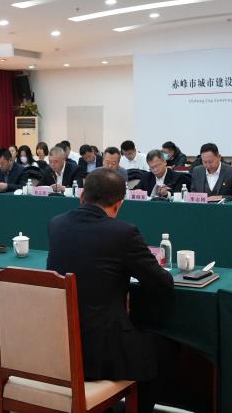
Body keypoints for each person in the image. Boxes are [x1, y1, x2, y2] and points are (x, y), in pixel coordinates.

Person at [46, 168, 175, 412]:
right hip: (100, 350)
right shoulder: (124, 233)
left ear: (82, 196)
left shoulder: (56, 224)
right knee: (164, 348)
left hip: (58, 343)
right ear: (119, 205)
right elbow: (161, 283)